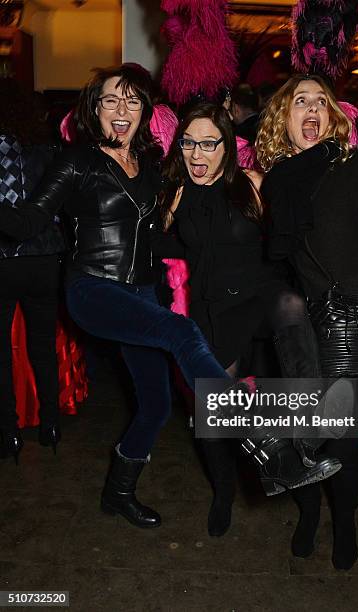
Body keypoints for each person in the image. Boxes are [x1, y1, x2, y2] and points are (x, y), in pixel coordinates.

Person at [0, 65, 335, 531]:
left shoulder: (152, 169)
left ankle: (118, 491)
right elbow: (29, 221)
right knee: (181, 331)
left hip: (139, 292)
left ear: (144, 112)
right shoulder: (75, 161)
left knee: (156, 405)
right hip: (92, 288)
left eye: (133, 101)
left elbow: (176, 231)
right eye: (111, 100)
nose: (122, 110)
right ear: (94, 109)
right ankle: (266, 442)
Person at [256, 74, 358, 569]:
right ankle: (308, 515)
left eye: (319, 102)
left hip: (357, 320)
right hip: (300, 331)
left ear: (331, 116)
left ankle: (344, 520)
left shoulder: (356, 166)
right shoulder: (275, 180)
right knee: (305, 436)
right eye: (299, 101)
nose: (310, 109)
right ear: (284, 117)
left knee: (342, 441)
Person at [160, 102, 342, 536]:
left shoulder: (252, 184)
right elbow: (156, 246)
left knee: (290, 305)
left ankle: (306, 435)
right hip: (212, 306)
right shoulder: (174, 191)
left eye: (209, 143)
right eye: (188, 142)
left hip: (259, 294)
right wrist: (165, 217)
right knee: (215, 413)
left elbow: (292, 237)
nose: (197, 153)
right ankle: (224, 491)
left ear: (227, 146)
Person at [0, 79, 65, 463]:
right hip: (44, 259)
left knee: (1, 354)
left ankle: (9, 433)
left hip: (3, 259)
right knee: (43, 346)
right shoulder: (49, 151)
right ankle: (50, 424)